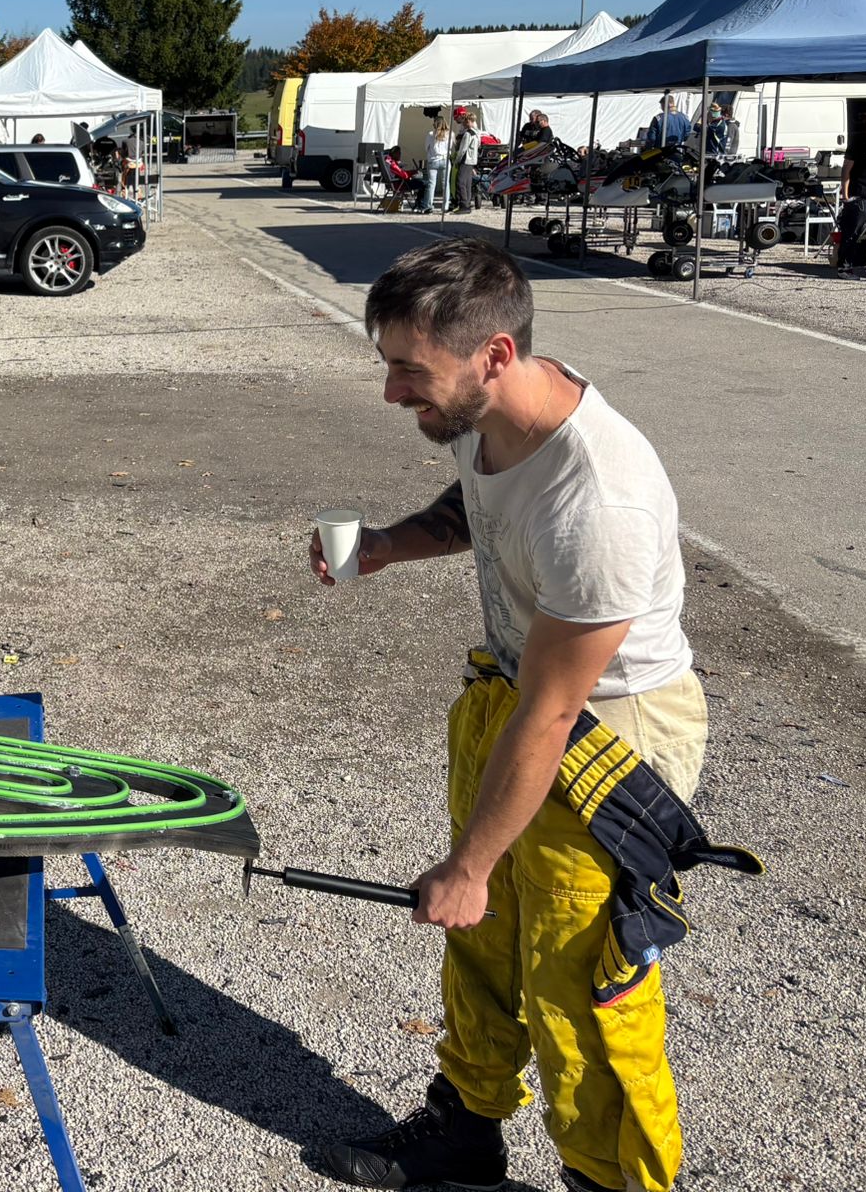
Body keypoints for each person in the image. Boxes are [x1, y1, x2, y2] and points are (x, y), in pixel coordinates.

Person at [308, 240, 722, 1192]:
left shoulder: (601, 502)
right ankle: (467, 1130)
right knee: (483, 937)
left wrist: (468, 862)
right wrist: (382, 547)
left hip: (610, 739)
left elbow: (554, 712)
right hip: (514, 698)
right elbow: (478, 502)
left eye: (411, 370)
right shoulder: (490, 412)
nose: (392, 393)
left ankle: (612, 1181)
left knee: (580, 981)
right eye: (390, 365)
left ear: (495, 354)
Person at [836, 106, 866, 277]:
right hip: (860, 196)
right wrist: (845, 193)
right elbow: (846, 169)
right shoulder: (859, 143)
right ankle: (844, 267)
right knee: (852, 233)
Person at [450, 106, 480, 213]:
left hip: (466, 159)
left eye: (465, 122)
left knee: (460, 182)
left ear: (468, 121)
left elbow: (463, 149)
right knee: (467, 182)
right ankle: (467, 203)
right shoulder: (476, 132)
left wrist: (457, 160)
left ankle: (464, 205)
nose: (463, 123)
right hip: (472, 159)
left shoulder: (468, 133)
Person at [421, 113, 451, 213]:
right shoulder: (450, 134)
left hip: (433, 160)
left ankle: (429, 206)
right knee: (445, 184)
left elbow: (426, 148)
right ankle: (445, 206)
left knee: (431, 184)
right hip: (445, 160)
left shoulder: (430, 134)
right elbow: (450, 148)